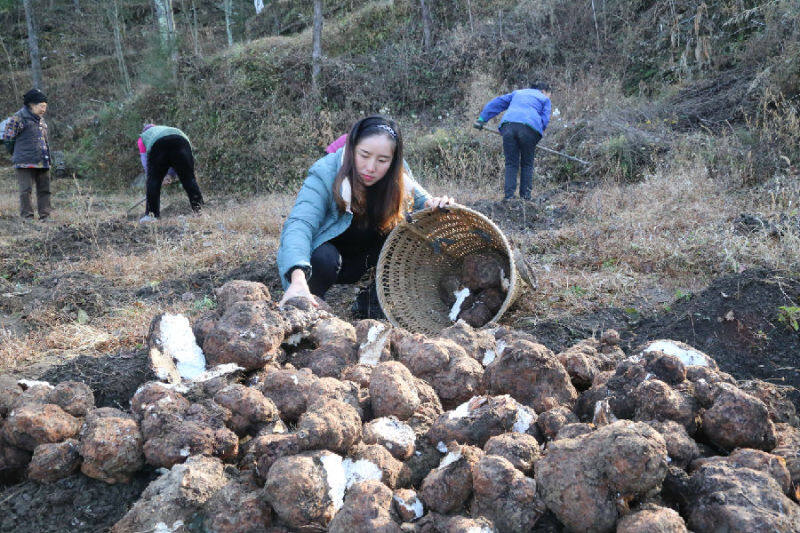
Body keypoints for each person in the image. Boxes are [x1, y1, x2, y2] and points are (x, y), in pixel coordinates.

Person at [277, 115, 453, 318]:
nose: (371, 167)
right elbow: (299, 224)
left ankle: (373, 299)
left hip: (366, 260)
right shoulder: (325, 173)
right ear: (351, 149)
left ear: (393, 161)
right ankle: (307, 303)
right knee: (323, 258)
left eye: (382, 160)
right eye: (364, 155)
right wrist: (297, 277)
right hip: (328, 261)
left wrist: (438, 205)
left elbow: (427, 204)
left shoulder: (399, 178)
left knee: (405, 233)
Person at [473, 81, 552, 201]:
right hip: (529, 128)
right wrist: (535, 135)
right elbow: (545, 120)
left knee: (511, 163)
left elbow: (497, 103)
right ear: (544, 91)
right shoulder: (544, 99)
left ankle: (509, 196)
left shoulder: (518, 93)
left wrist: (482, 119)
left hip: (508, 126)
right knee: (527, 164)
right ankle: (525, 199)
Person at [2, 88, 52, 220]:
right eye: (41, 106)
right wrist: (18, 153)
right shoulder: (18, 118)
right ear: (32, 105)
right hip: (24, 162)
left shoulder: (41, 120)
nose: (43, 109)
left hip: (43, 160)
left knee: (45, 190)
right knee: (26, 190)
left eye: (45, 106)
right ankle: (27, 217)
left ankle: (45, 216)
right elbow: (8, 138)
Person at [138, 123, 204, 222]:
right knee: (189, 179)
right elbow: (177, 157)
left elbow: (145, 162)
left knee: (153, 180)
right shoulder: (170, 129)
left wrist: (157, 177)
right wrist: (171, 175)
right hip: (182, 141)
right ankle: (200, 211)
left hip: (159, 144)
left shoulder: (143, 137)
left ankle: (151, 215)